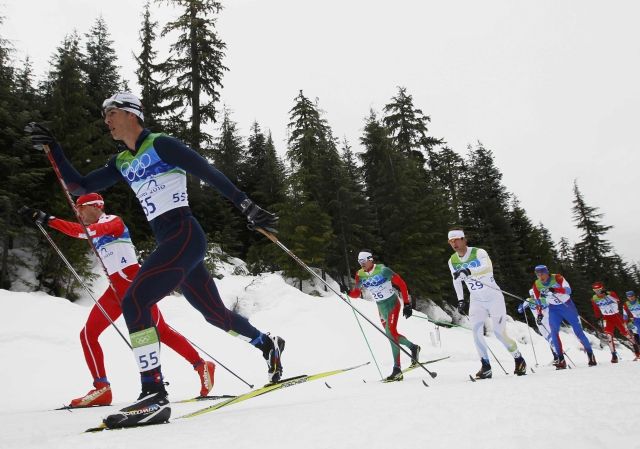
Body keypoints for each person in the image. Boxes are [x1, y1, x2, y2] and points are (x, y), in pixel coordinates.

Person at [25, 92, 283, 428]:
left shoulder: (161, 144)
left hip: (184, 234)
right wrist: (54, 148)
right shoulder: (122, 161)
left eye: (111, 113)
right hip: (173, 244)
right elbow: (79, 185)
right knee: (216, 316)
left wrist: (245, 205)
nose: (106, 121)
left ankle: (153, 393)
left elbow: (205, 169)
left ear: (132, 114)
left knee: (134, 300)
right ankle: (268, 345)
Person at [20, 193, 216, 407]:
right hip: (114, 290)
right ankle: (101, 388)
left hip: (135, 285)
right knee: (88, 334)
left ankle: (201, 365)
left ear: (96, 206)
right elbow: (81, 232)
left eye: (80, 208)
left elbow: (83, 232)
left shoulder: (113, 222)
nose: (78, 213)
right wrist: (42, 219)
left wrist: (47, 219)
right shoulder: (92, 229)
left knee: (161, 331)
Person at [447, 229, 527, 379]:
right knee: (476, 332)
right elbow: (456, 280)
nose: (454, 244)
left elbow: (487, 267)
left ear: (464, 239)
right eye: (451, 241)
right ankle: (486, 366)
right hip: (477, 300)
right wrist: (461, 299)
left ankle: (518, 358)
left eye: (457, 240)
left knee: (499, 333)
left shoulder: (478, 253)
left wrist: (468, 270)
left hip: (494, 297)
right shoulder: (452, 261)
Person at [348, 250, 420, 382]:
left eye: (363, 261)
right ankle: (413, 347)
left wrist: (407, 304)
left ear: (370, 259)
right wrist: (348, 292)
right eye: (359, 262)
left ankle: (397, 369)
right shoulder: (360, 275)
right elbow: (357, 293)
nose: (362, 264)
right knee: (390, 335)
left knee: (391, 333)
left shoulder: (383, 270)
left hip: (392, 304)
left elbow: (402, 284)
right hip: (381, 308)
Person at [531, 265, 596, 368]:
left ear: (547, 273)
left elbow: (568, 290)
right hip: (554, 309)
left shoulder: (557, 277)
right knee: (554, 333)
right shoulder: (536, 284)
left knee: (578, 332)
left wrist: (556, 290)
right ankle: (561, 360)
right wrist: (539, 313)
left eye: (542, 274)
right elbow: (538, 300)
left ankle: (590, 354)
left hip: (567, 306)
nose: (540, 276)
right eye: (538, 274)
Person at [590, 282, 640, 362]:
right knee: (609, 336)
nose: (597, 292)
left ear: (602, 288)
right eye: (595, 290)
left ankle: (637, 352)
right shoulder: (594, 298)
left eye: (599, 290)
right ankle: (614, 355)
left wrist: (607, 295)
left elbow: (617, 300)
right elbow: (596, 308)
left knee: (627, 334)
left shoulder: (610, 293)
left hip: (616, 316)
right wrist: (598, 317)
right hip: (607, 318)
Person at [517, 289, 563, 365]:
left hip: (543, 322)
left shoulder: (530, 300)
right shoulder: (542, 299)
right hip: (544, 322)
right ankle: (556, 356)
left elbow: (520, 310)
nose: (533, 296)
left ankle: (558, 355)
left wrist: (521, 306)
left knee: (550, 338)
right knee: (550, 338)